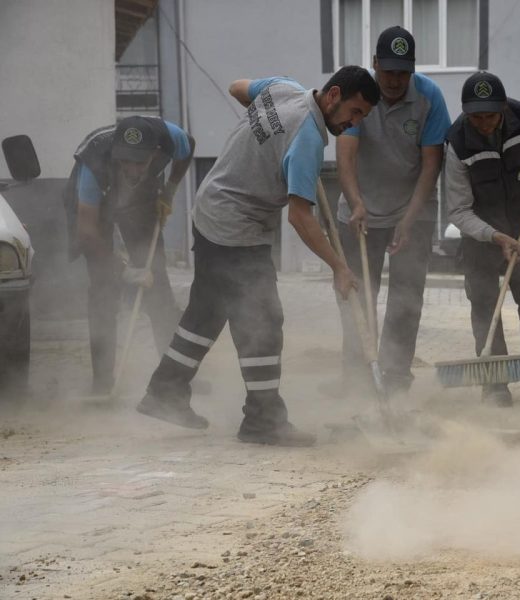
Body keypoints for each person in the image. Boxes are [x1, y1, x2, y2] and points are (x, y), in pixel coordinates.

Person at [136, 67, 380, 446]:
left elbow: (237, 88)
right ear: (334, 96)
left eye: (361, 117)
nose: (354, 123)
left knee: (206, 311)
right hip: (236, 228)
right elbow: (300, 217)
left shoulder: (284, 89)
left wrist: (266, 135)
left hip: (209, 209)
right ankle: (263, 420)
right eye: (355, 111)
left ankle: (164, 391)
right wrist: (339, 267)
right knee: (263, 318)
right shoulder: (308, 140)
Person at [330, 25, 450, 398]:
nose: (395, 80)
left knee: (406, 300)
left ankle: (395, 379)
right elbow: (345, 156)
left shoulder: (429, 97)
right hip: (360, 212)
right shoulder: (359, 95)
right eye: (388, 71)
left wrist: (409, 219)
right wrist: (356, 203)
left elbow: (431, 165)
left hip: (411, 210)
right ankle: (358, 378)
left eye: (403, 72)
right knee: (357, 298)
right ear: (375, 64)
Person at [444, 71, 520, 407]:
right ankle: (494, 381)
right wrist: (493, 235)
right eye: (475, 117)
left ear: (503, 107)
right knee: (484, 305)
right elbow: (458, 210)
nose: (483, 124)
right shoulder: (457, 142)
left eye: (490, 116)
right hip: (481, 236)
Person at [66, 115, 194, 395]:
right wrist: (123, 270)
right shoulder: (94, 161)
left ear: (156, 153)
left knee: (157, 285)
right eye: (125, 161)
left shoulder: (171, 138)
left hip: (140, 201)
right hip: (94, 207)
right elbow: (86, 232)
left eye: (140, 162)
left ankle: (172, 377)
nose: (132, 169)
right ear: (115, 153)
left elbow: (188, 150)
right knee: (103, 289)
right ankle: (102, 384)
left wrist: (170, 189)